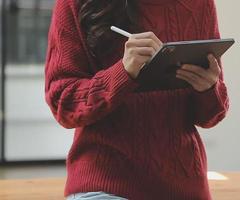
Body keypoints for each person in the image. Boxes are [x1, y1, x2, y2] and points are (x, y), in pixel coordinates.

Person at [44, 0, 229, 199]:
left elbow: (210, 117)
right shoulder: (74, 4)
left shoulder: (200, 5)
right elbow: (63, 101)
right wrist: (123, 72)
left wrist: (209, 89)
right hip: (105, 185)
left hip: (185, 187)